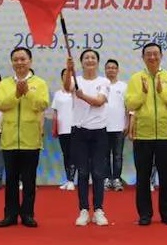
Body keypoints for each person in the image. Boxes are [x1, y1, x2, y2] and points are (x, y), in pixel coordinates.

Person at [125, 42, 167, 226]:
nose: (152, 57)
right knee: (143, 176)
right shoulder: (136, 78)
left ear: (161, 56)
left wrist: (161, 91)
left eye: (155, 54)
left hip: (166, 134)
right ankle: (145, 214)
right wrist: (143, 93)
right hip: (143, 135)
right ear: (143, 57)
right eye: (148, 54)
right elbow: (130, 104)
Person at [0, 47, 49, 228]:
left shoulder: (39, 83)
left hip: (30, 139)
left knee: (28, 180)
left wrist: (27, 92)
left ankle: (27, 214)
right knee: (10, 180)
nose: (19, 63)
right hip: (10, 139)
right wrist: (16, 94)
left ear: (30, 61)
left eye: (23, 59)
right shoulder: (5, 84)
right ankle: (10, 215)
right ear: (12, 63)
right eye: (16, 59)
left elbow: (42, 104)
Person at [65, 49, 111, 227]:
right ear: (81, 62)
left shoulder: (103, 81)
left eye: (93, 58)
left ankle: (98, 210)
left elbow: (99, 101)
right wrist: (69, 70)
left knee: (98, 173)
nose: (89, 60)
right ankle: (83, 210)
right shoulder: (76, 80)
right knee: (83, 172)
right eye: (86, 58)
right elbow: (66, 87)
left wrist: (82, 95)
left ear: (97, 62)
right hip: (79, 132)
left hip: (99, 132)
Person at [104, 59, 128, 191]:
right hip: (103, 126)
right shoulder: (101, 85)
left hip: (119, 126)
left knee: (118, 154)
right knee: (105, 155)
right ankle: (107, 179)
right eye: (108, 68)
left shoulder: (123, 86)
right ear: (105, 70)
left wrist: (127, 124)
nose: (111, 70)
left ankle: (117, 179)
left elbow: (128, 107)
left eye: (114, 68)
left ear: (118, 70)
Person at [52, 68, 76, 191]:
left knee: (73, 154)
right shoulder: (58, 93)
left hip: (74, 127)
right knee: (66, 154)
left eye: (69, 75)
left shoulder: (76, 92)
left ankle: (72, 180)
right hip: (62, 128)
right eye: (65, 75)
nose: (67, 77)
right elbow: (55, 111)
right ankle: (68, 179)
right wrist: (55, 127)